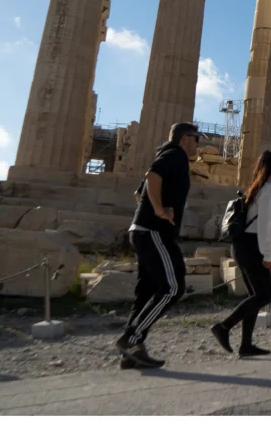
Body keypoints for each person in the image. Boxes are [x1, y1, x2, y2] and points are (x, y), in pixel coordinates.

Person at [115, 122, 199, 369]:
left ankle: (132, 355)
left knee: (146, 293)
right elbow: (151, 177)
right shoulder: (175, 155)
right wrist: (160, 210)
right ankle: (131, 339)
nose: (198, 145)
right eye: (196, 139)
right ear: (184, 139)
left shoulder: (167, 155)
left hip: (143, 230)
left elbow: (138, 192)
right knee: (173, 287)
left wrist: (150, 209)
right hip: (154, 232)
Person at [211, 150, 271, 358]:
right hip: (252, 245)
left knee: (255, 295)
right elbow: (264, 227)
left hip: (241, 245)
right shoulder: (269, 190)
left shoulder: (254, 188)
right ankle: (223, 327)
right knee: (264, 294)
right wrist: (269, 257)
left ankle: (246, 345)